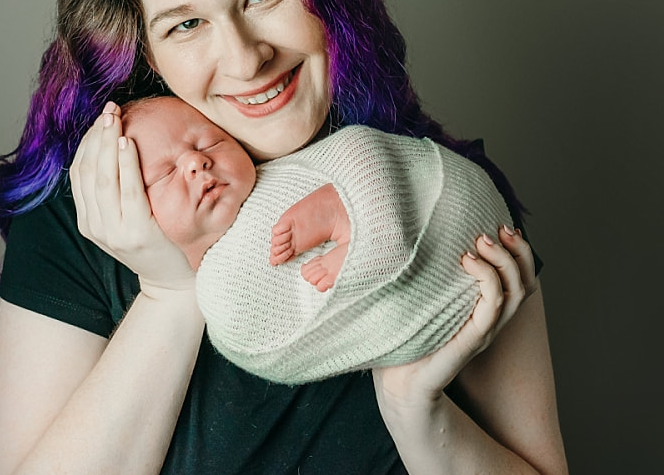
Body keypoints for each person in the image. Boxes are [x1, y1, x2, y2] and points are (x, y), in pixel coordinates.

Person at [0, 0, 568, 475]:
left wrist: (417, 410)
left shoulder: (441, 200)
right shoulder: (84, 220)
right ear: (145, 48)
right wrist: (170, 296)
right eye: (186, 24)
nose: (244, 57)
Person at [122, 95, 518, 385]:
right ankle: (361, 238)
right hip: (455, 304)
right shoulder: (219, 291)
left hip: (459, 204)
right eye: (163, 174)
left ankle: (354, 224)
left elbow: (362, 148)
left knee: (359, 153)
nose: (196, 161)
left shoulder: (271, 176)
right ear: (133, 219)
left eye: (208, 142)